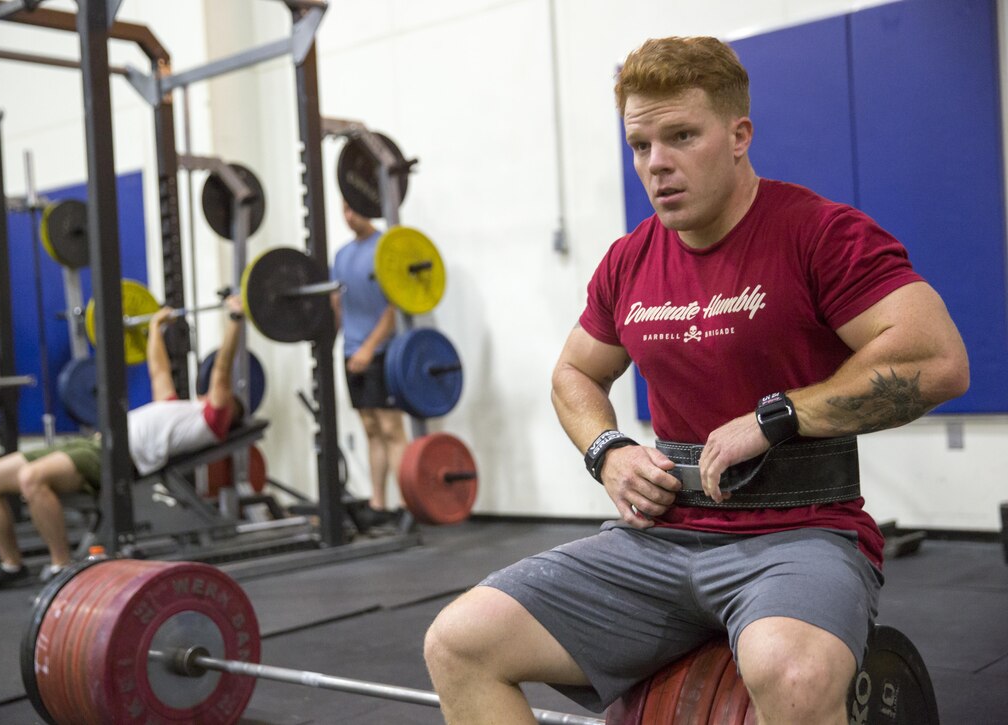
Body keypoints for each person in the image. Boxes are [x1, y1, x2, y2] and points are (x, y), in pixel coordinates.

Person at [423, 36, 969, 723]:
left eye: (681, 136)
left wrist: (779, 415)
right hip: (659, 538)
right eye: (641, 145)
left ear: (739, 135)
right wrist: (607, 450)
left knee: (793, 676)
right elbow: (574, 373)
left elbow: (936, 360)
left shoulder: (819, 233)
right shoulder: (628, 261)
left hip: (799, 535)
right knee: (458, 642)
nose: (657, 164)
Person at [0, 295, 247, 591]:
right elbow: (159, 370)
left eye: (224, 400)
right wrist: (154, 327)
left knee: (30, 479)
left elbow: (221, 371)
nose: (213, 394)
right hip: (92, 443)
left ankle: (61, 567)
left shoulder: (211, 422)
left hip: (116, 457)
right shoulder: (177, 407)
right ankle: (11, 565)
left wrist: (235, 320)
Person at [330, 201, 409, 530]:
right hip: (350, 352)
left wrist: (369, 348)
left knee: (391, 428)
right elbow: (337, 305)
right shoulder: (341, 255)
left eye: (354, 207)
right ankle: (379, 503)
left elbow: (394, 306)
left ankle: (408, 506)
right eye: (345, 209)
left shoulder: (385, 248)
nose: (350, 215)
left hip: (381, 352)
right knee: (371, 429)